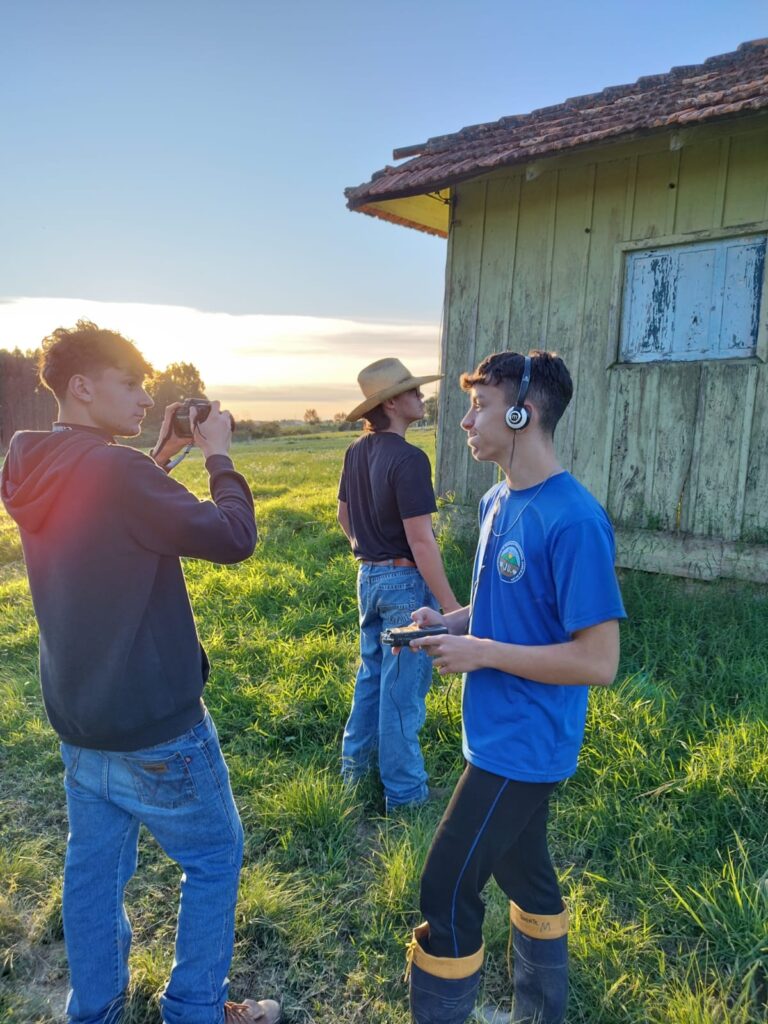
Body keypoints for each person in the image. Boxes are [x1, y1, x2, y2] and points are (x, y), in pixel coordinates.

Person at [0, 320, 280, 1024]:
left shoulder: (28, 462)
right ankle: (195, 1009)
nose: (144, 394)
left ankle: (94, 1010)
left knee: (93, 870)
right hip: (156, 724)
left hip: (80, 717)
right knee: (215, 856)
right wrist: (218, 457)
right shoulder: (114, 470)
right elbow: (233, 538)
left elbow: (102, 509)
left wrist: (161, 455)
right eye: (129, 383)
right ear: (83, 386)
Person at [400, 350, 626, 1024]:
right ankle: (540, 1013)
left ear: (524, 412)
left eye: (480, 405)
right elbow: (503, 609)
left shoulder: (575, 520)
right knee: (524, 873)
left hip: (527, 744)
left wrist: (482, 653)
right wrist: (449, 623)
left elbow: (598, 662)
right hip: (494, 732)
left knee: (444, 889)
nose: (466, 420)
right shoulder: (499, 498)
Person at [337, 357, 462, 812]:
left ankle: (354, 773)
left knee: (371, 675)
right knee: (403, 692)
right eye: (412, 391)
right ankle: (406, 795)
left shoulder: (355, 451)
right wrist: (450, 608)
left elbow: (343, 515)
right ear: (391, 403)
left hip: (367, 575)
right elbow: (421, 541)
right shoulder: (409, 458)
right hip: (404, 581)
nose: (421, 396)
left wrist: (363, 548)